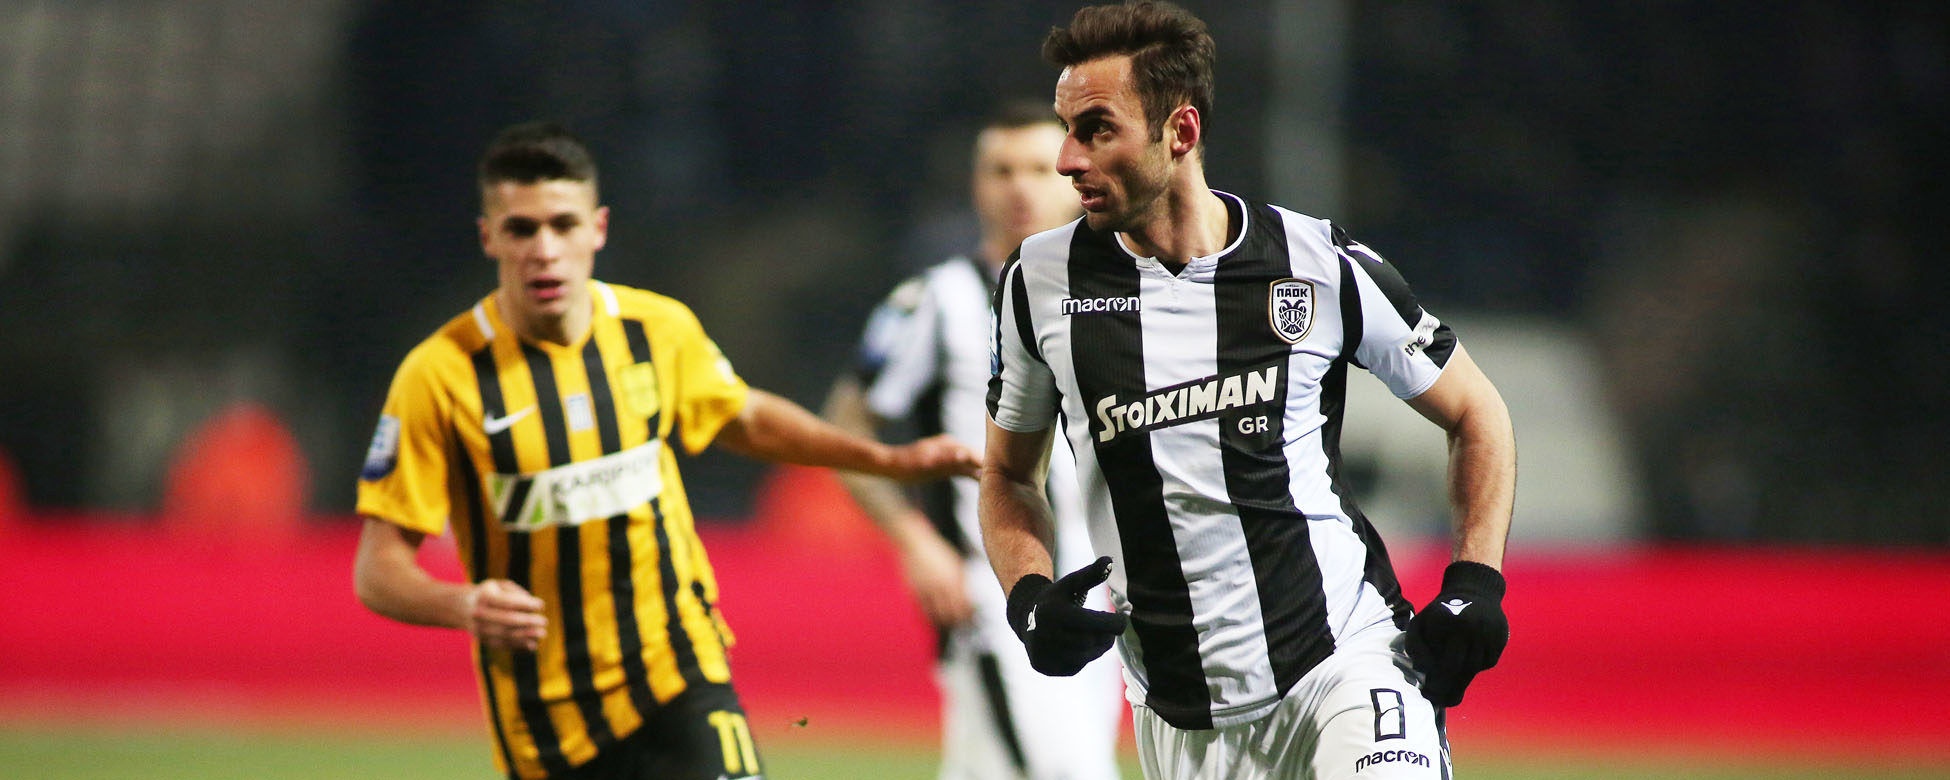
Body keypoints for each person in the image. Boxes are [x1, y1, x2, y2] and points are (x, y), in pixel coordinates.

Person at [979, 3, 1518, 779]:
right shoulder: (1037, 283)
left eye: (1095, 130)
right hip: (1181, 713)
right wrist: (1028, 594)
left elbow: (1475, 410)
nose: (1067, 159)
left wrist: (1475, 581)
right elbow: (1007, 473)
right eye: (1068, 129)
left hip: (1347, 660)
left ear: (1180, 131)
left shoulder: (1315, 262)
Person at [351, 121, 979, 780]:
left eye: (563, 225)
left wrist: (884, 460)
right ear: (489, 238)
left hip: (676, 669)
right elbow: (378, 570)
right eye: (521, 230)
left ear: (598, 229)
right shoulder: (439, 375)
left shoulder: (656, 330)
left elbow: (745, 416)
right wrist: (463, 605)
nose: (545, 250)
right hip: (546, 721)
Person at [823, 102, 1121, 780]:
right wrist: (916, 542)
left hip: (1096, 584)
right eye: (1001, 171)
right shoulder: (935, 300)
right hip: (997, 596)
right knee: (1066, 771)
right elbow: (847, 423)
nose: (1019, 188)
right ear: (976, 186)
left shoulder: (1111, 292)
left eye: (1037, 170)